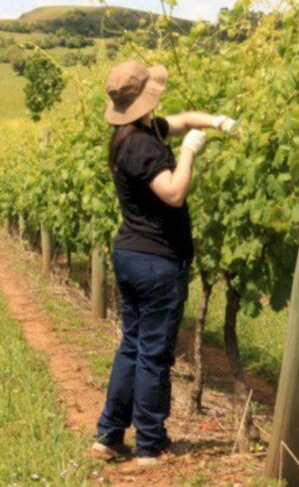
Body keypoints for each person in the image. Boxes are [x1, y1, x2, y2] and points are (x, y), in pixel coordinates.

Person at [90, 61, 236, 467]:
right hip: (156, 262)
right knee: (153, 353)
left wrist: (218, 122)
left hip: (132, 256)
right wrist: (188, 153)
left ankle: (108, 435)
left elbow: (185, 119)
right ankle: (150, 445)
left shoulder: (131, 133)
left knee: (132, 347)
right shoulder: (142, 146)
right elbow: (172, 193)